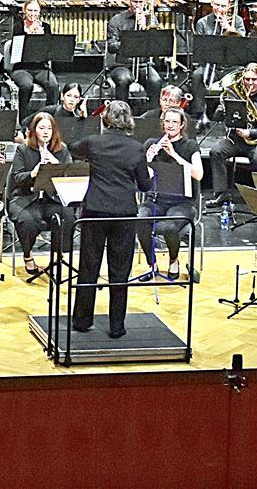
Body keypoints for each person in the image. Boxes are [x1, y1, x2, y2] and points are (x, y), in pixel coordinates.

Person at [69, 100, 153, 338]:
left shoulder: (94, 142)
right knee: (119, 271)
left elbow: (73, 146)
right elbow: (144, 185)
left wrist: (86, 121)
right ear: (128, 120)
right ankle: (117, 326)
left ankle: (82, 321)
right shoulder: (136, 147)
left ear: (106, 118)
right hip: (124, 214)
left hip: (94, 211)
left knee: (89, 267)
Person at [136, 108, 202, 281]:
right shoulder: (152, 143)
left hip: (182, 202)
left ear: (181, 125)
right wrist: (148, 160)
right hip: (156, 200)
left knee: (169, 227)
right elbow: (144, 178)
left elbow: (198, 174)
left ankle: (173, 260)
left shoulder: (190, 146)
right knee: (140, 219)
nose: (170, 125)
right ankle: (153, 265)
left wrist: (174, 154)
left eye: (174, 122)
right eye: (167, 121)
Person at [7, 112, 74, 276]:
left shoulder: (62, 150)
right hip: (26, 198)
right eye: (41, 128)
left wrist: (56, 164)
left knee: (68, 216)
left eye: (49, 128)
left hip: (52, 199)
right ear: (34, 130)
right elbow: (17, 178)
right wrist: (34, 172)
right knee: (28, 221)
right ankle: (28, 254)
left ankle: (58, 254)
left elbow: (70, 174)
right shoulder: (23, 150)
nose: (46, 132)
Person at [207, 62, 257, 204]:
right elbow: (216, 118)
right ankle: (221, 193)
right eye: (247, 79)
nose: (250, 83)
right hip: (236, 140)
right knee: (216, 151)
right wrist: (221, 109)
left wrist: (250, 132)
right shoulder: (235, 94)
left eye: (254, 80)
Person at [190, 0, 246, 122]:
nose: (219, 9)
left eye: (223, 6)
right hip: (211, 66)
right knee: (197, 75)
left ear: (229, 7)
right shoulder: (202, 23)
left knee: (242, 77)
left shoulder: (237, 21)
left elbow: (243, 45)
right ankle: (200, 115)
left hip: (232, 66)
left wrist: (228, 29)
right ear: (212, 4)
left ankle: (233, 115)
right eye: (217, 5)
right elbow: (200, 49)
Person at [105, 0, 163, 102]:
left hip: (143, 65)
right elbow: (111, 46)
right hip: (121, 64)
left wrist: (145, 29)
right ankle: (122, 114)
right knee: (123, 79)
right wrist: (129, 43)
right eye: (135, 1)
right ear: (128, 0)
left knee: (155, 81)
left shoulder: (150, 20)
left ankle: (153, 115)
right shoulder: (117, 20)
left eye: (141, 2)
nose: (138, 5)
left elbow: (156, 45)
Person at [7, 0, 59, 120]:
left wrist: (41, 38)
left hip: (41, 67)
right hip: (21, 68)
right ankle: (23, 119)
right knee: (26, 86)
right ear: (24, 10)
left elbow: (50, 51)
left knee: (53, 85)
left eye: (36, 11)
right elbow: (13, 51)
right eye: (30, 10)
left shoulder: (45, 27)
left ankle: (50, 117)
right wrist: (28, 37)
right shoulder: (18, 27)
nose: (33, 14)